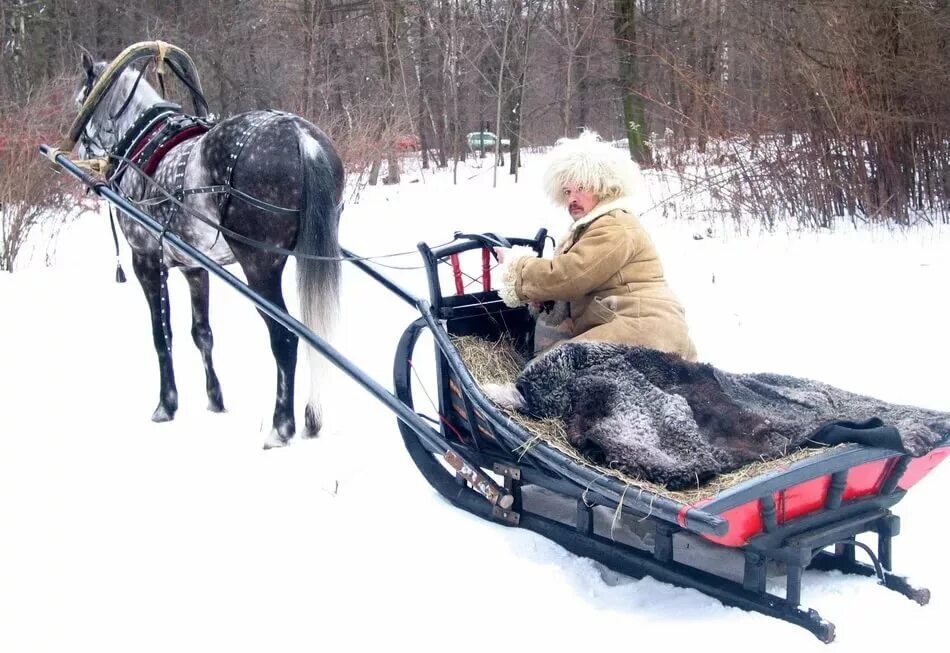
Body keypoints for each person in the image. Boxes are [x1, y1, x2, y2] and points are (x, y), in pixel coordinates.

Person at [496, 130, 697, 361]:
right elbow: (580, 279)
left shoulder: (615, 224)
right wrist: (545, 295)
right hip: (628, 322)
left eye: (581, 188)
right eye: (567, 191)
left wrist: (516, 265)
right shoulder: (594, 227)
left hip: (644, 327)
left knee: (554, 366)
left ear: (603, 186)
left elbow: (570, 276)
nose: (572, 198)